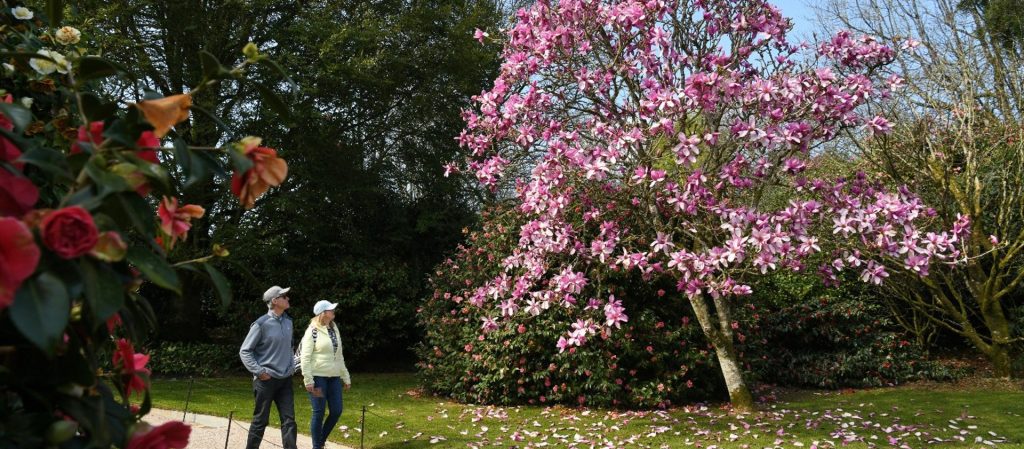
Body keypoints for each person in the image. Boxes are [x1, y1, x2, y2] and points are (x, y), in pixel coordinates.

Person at [239, 285, 298, 449]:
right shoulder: (261, 324)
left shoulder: (288, 321)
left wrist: (291, 366)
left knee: (289, 420)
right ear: (275, 301)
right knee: (260, 421)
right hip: (266, 381)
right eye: (284, 296)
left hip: (285, 379)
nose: (288, 298)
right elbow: (245, 351)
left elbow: (290, 347)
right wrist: (259, 371)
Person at [299, 300, 351, 449]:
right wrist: (308, 380)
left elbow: (339, 356)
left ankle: (320, 441)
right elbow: (305, 357)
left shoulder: (334, 328)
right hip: (317, 379)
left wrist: (345, 376)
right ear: (323, 313)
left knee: (336, 411)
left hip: (334, 378)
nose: (334, 310)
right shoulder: (312, 330)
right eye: (331, 309)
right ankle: (317, 446)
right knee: (319, 412)